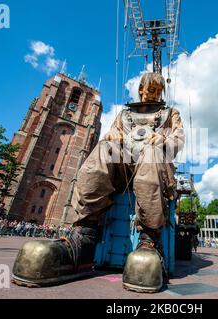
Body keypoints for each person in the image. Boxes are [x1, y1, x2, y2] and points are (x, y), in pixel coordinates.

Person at [12, 73, 185, 293]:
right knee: (103, 149)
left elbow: (178, 140)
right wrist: (113, 137)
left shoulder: (171, 113)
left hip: (154, 169)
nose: (152, 93)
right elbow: (112, 134)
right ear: (140, 89)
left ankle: (150, 240)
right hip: (122, 171)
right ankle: (84, 236)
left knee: (151, 154)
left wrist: (164, 139)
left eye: (156, 90)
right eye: (148, 88)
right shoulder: (124, 114)